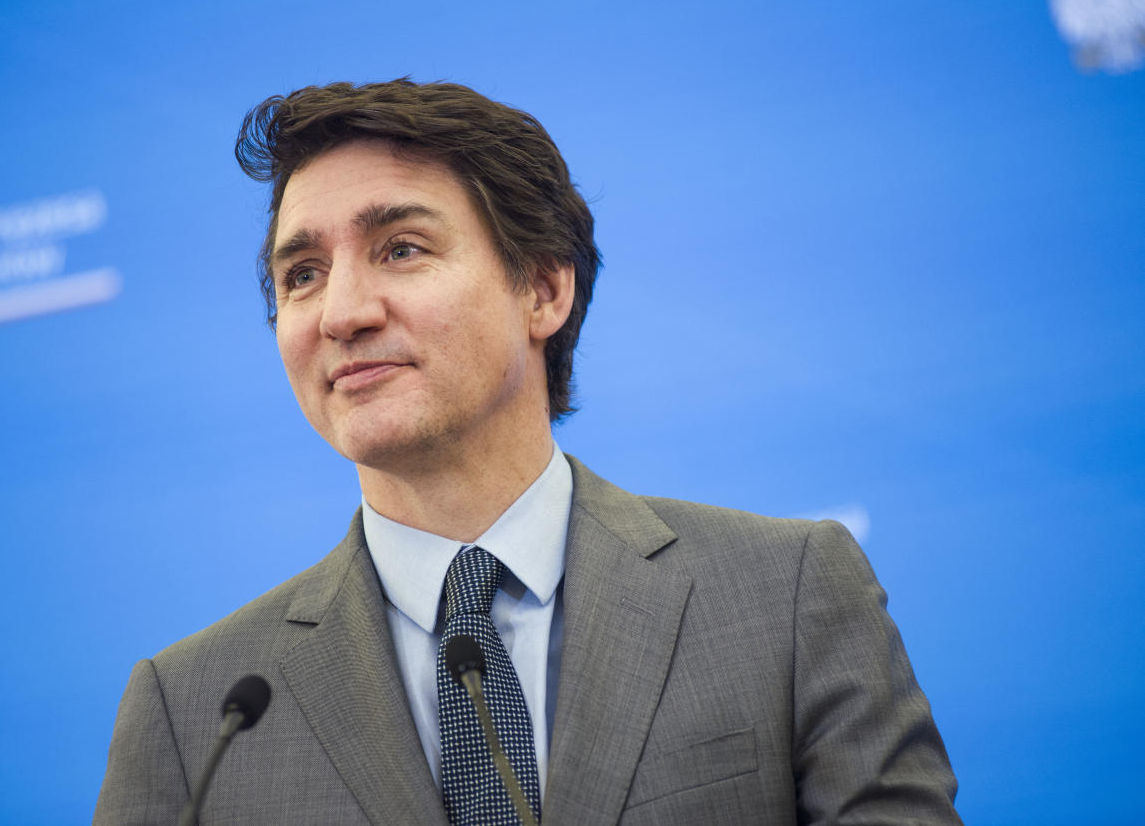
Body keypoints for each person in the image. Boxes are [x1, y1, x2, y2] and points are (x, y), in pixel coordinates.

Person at [94, 78, 960, 825]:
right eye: (302, 274)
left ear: (543, 288)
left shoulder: (788, 597)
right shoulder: (196, 713)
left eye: (401, 248)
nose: (342, 312)